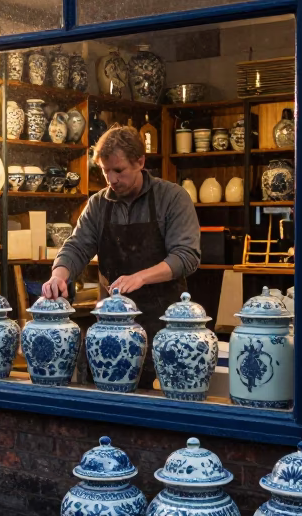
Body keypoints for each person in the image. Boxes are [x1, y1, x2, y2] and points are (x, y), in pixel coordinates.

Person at [42, 124, 201, 387]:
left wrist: (141, 277)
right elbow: (77, 246)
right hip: (111, 327)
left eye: (118, 171)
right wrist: (59, 275)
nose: (111, 180)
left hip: (165, 328)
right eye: (105, 171)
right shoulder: (98, 204)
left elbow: (187, 256)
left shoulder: (172, 198)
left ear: (140, 161)